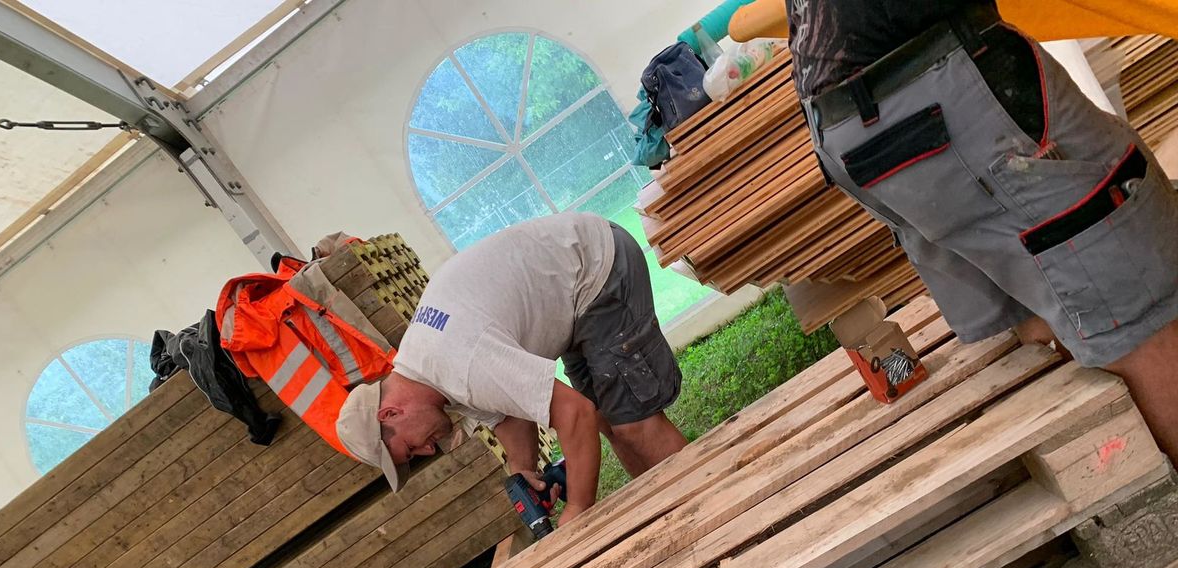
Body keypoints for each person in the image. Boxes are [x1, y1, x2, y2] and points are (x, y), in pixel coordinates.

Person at [752, 1, 1178, 463]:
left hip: (846, 126)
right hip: (935, 79)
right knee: (1140, 316)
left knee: (1032, 316)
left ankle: (1120, 496)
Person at [334, 212, 688, 527]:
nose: (427, 451)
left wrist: (579, 510)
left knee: (634, 425)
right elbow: (506, 414)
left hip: (595, 266)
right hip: (570, 292)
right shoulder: (424, 371)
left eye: (410, 449)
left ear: (391, 412)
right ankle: (670, 512)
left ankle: (699, 502)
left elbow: (574, 414)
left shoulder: (461, 363)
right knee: (609, 422)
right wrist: (524, 467)